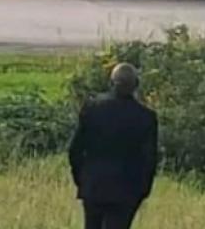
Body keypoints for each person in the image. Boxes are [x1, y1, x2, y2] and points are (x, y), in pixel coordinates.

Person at [68, 63, 158, 229]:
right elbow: (149, 159)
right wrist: (143, 190)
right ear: (136, 85)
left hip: (94, 185)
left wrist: (81, 179)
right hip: (127, 190)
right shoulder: (146, 117)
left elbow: (75, 150)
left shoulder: (92, 109)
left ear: (111, 82)